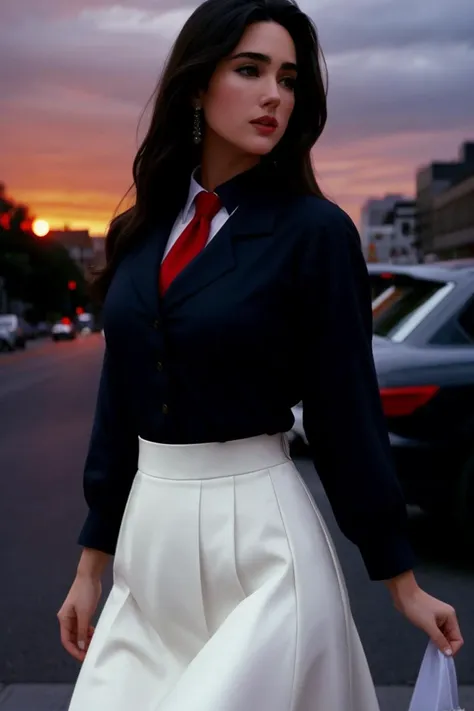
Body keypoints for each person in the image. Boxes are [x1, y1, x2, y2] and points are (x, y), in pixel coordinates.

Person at [58, 0, 464, 709]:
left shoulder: (316, 233)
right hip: (147, 548)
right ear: (195, 84)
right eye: (250, 70)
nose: (275, 93)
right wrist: (91, 565)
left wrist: (400, 577)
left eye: (288, 77)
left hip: (261, 543)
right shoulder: (138, 231)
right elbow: (120, 403)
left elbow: (345, 411)